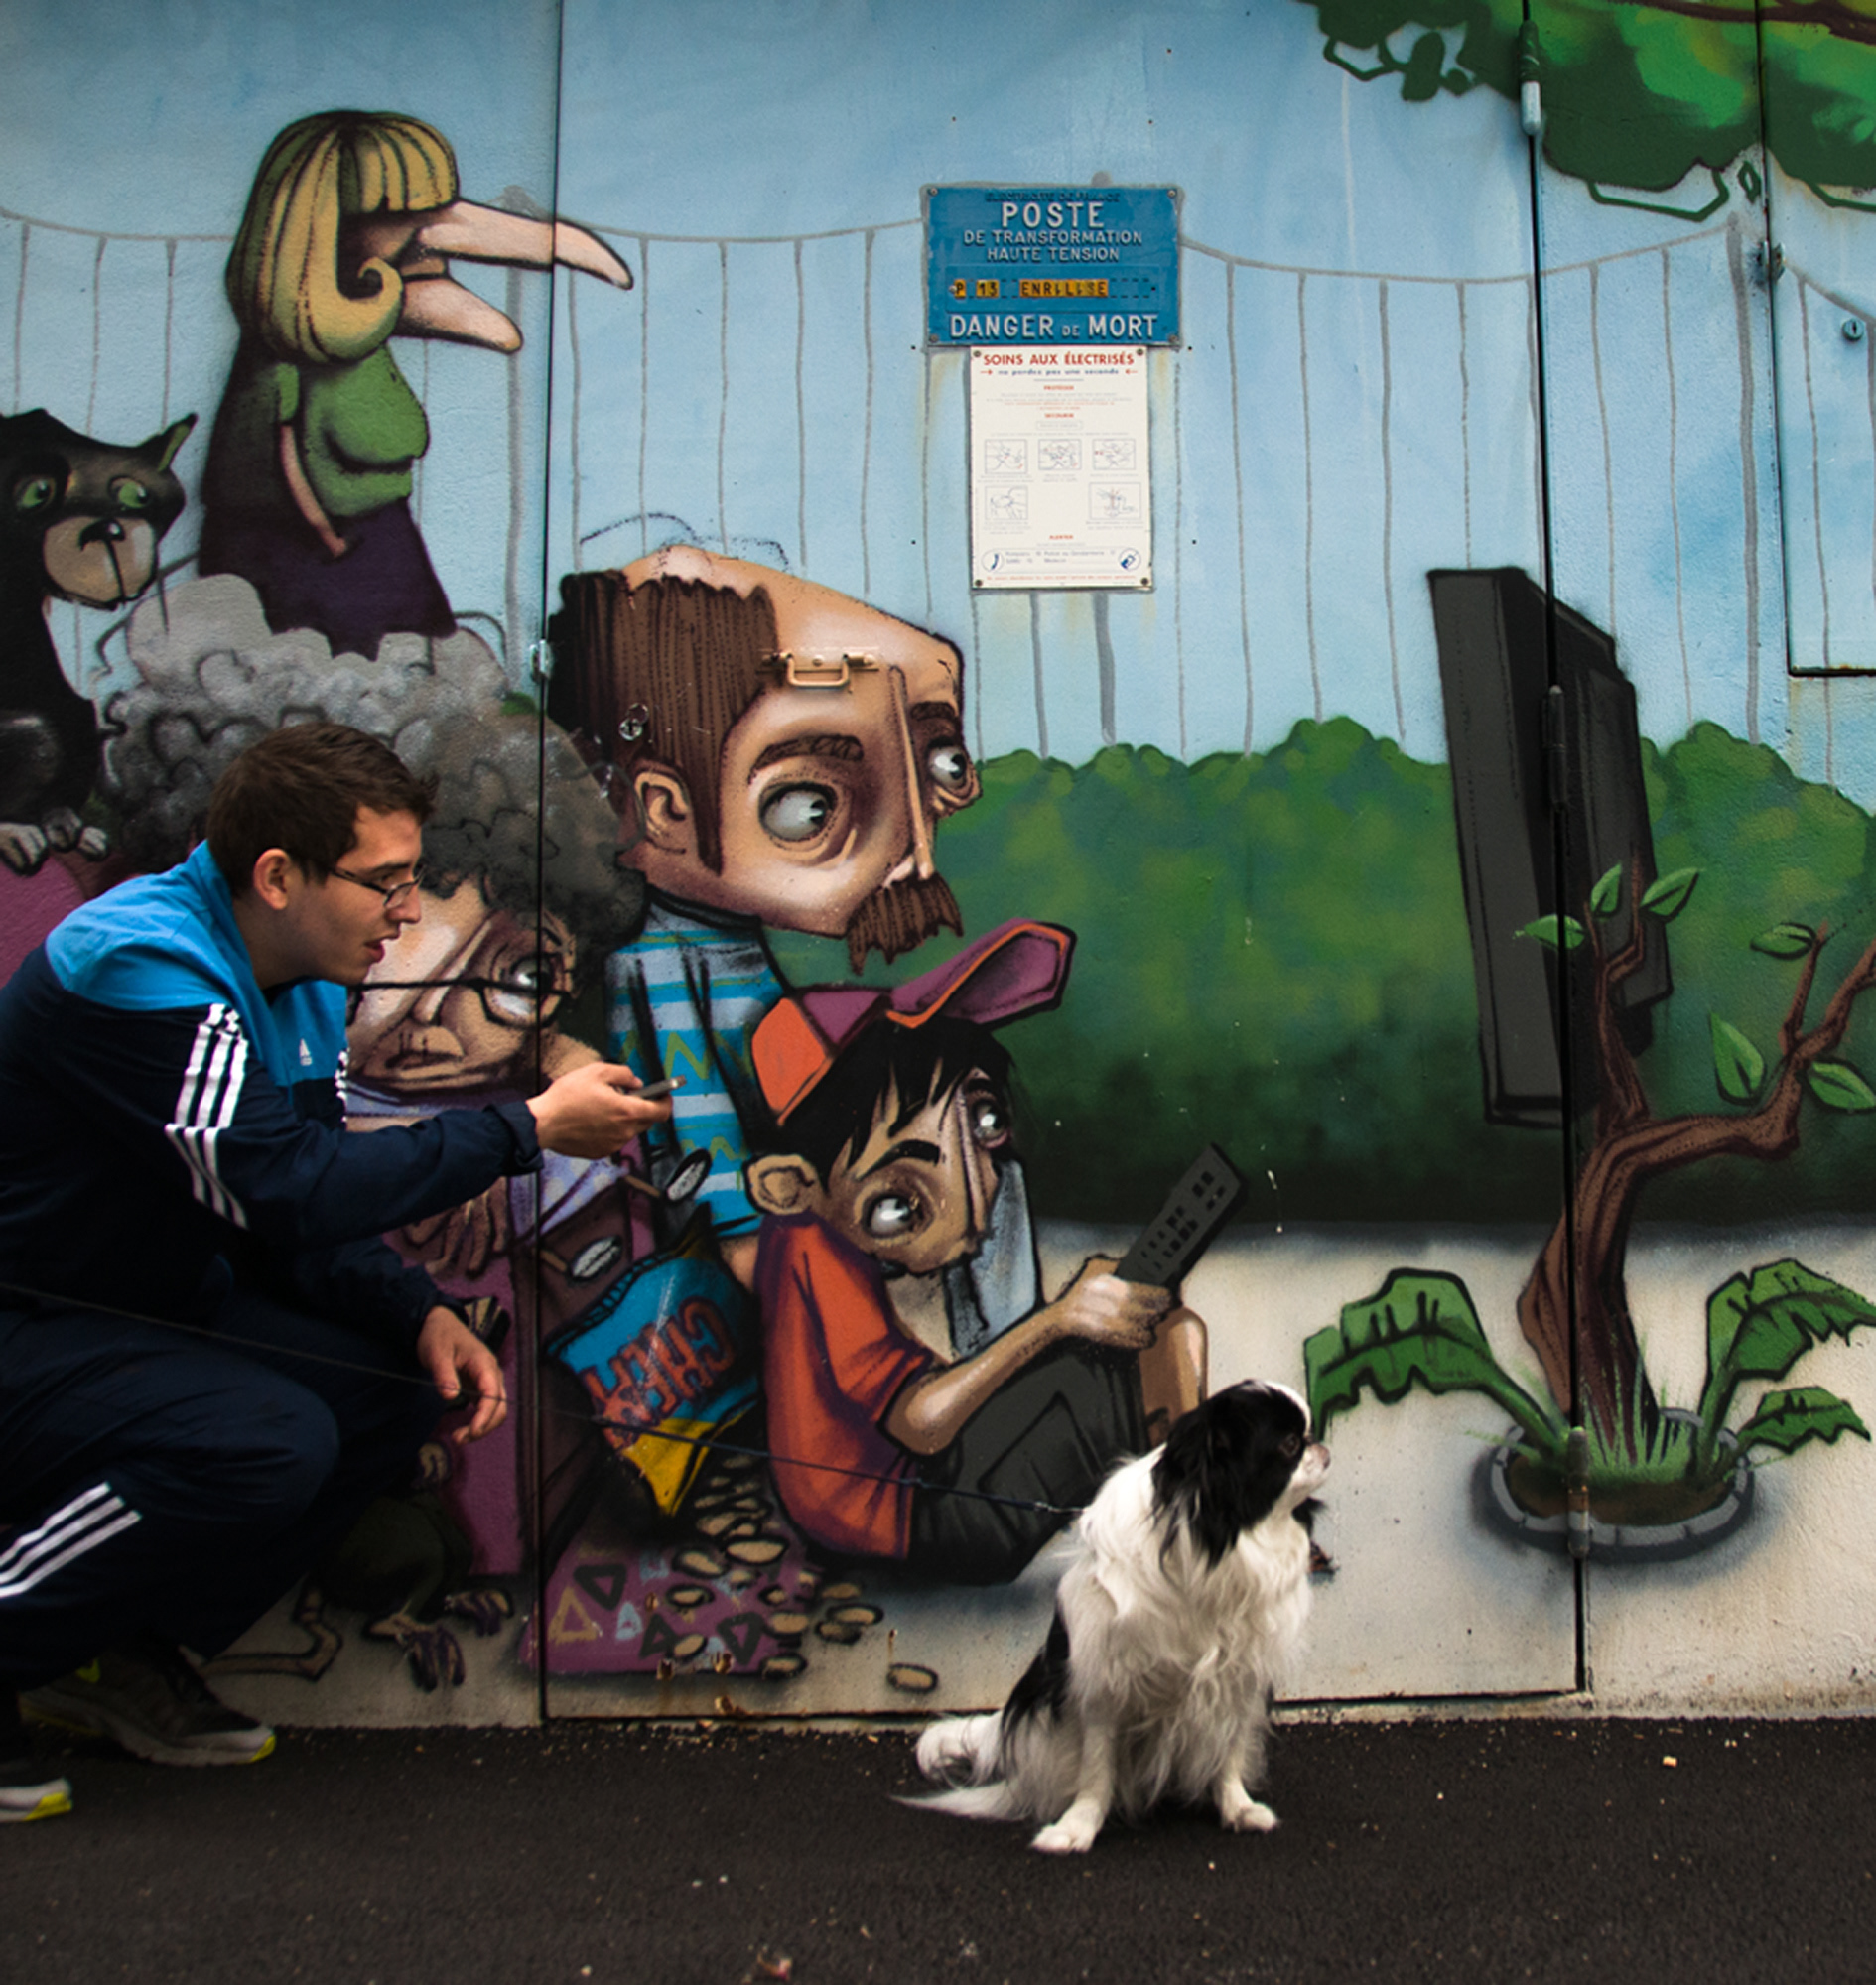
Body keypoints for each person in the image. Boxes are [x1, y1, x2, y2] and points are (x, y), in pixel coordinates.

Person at [0, 722, 668, 1821]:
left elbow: (299, 1212)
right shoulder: (141, 963)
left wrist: (416, 1316)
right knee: (266, 1438)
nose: (406, 910)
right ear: (277, 876)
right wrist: (530, 1127)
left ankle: (111, 1644)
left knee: (399, 1387)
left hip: (151, 1320)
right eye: (385, 881)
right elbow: (284, 1184)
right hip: (35, 1330)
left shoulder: (303, 972)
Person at [547, 545, 981, 1291]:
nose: (913, 849)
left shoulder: (721, 942)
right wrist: (796, 1299)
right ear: (665, 810)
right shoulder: (660, 965)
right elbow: (707, 1165)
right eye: (810, 804)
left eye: (942, 764)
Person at [744, 920, 1208, 1584]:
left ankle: (1190, 1526)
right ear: (790, 1187)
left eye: (985, 1123)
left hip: (914, 1492)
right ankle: (1201, 1537)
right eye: (897, 1202)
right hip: (911, 1517)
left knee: (1153, 1328)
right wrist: (1059, 1321)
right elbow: (920, 1424)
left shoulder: (814, 1237)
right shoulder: (813, 1249)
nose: (980, 1200)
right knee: (1163, 1341)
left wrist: (1070, 1323)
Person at [197, 110, 631, 658]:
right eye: (402, 216)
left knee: (413, 667)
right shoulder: (283, 361)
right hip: (305, 556)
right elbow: (274, 457)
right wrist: (323, 532)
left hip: (375, 539)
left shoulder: (352, 348)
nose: (431, 235)